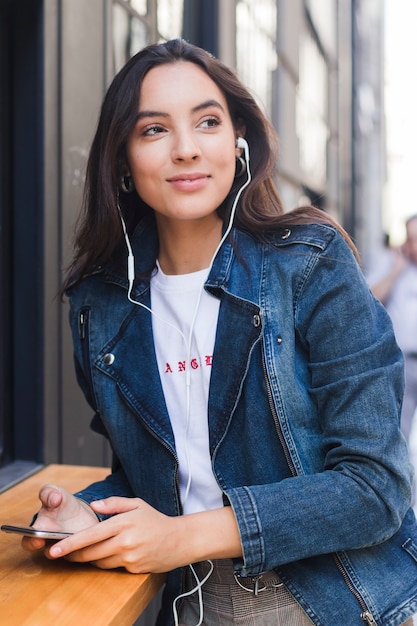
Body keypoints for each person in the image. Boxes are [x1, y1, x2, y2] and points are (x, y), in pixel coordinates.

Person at [22, 39, 417, 626]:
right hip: (193, 604)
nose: (186, 150)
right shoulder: (100, 305)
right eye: (154, 130)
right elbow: (160, 476)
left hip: (342, 600)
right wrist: (88, 516)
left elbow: (377, 487)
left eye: (207, 122)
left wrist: (181, 538)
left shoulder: (309, 265)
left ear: (238, 144)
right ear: (124, 161)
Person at [367, 215, 417, 444]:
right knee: (399, 435)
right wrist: (395, 271)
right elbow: (369, 302)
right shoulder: (393, 265)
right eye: (411, 239)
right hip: (403, 362)